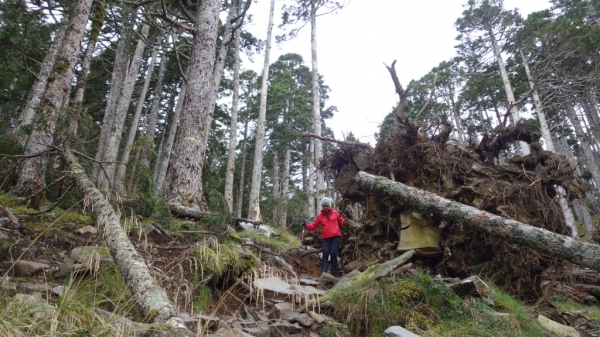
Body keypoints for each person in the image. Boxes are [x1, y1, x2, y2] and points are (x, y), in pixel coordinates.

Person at [303, 197, 344, 277]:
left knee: (333, 254)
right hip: (325, 238)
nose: (325, 207)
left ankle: (334, 274)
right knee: (325, 254)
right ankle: (324, 273)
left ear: (330, 206)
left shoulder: (335, 213)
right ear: (322, 206)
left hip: (336, 237)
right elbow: (314, 226)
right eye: (324, 206)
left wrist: (344, 222)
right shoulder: (320, 216)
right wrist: (306, 226)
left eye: (327, 206)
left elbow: (340, 220)